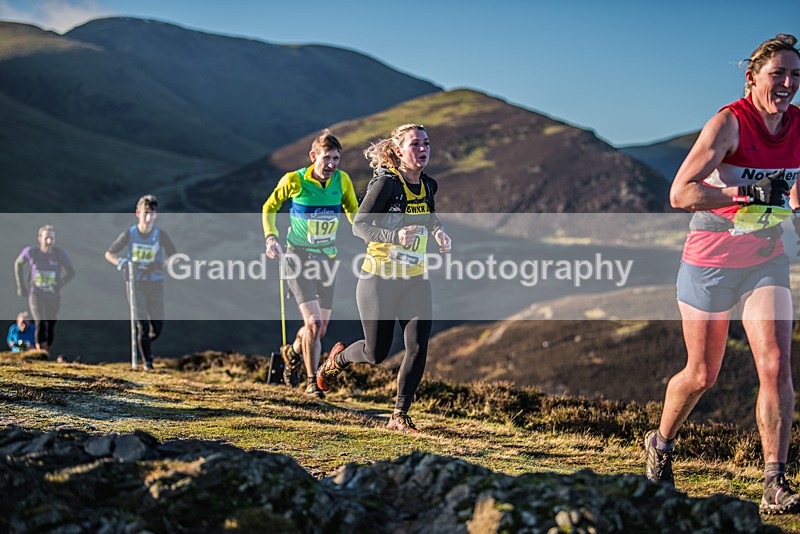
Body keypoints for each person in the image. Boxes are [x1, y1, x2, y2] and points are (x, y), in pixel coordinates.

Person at [645, 34, 800, 515]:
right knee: (702, 374)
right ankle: (661, 441)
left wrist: (788, 206)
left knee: (775, 364)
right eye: (779, 74)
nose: (789, 84)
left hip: (765, 259)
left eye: (796, 76)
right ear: (753, 78)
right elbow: (680, 193)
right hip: (710, 258)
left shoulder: (798, 125)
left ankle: (775, 481)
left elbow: (793, 192)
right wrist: (745, 199)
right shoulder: (729, 125)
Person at [316, 124, 452, 433]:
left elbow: (429, 216)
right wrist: (395, 235)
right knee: (376, 353)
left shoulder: (429, 185)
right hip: (378, 278)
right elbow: (360, 225)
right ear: (398, 151)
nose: (423, 149)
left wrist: (439, 232)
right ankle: (337, 361)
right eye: (415, 144)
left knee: (417, 346)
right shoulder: (386, 184)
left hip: (415, 279)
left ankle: (398, 416)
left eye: (427, 143)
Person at [262, 130, 358, 398]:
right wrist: (271, 238)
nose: (331, 164)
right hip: (298, 257)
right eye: (327, 158)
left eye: (336, 158)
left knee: (319, 329)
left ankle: (292, 352)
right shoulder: (295, 180)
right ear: (314, 156)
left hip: (327, 259)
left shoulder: (342, 180)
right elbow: (270, 206)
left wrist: (372, 237)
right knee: (314, 324)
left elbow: (353, 212)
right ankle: (311, 382)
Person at [105, 195, 176, 370]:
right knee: (142, 323)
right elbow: (109, 253)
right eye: (145, 213)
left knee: (157, 326)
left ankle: (146, 343)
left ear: (156, 215)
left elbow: (174, 255)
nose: (148, 217)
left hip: (155, 282)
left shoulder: (160, 235)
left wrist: (163, 264)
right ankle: (148, 363)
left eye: (152, 213)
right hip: (135, 283)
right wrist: (121, 262)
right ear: (138, 213)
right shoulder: (130, 234)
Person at [14, 225, 75, 352]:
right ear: (39, 239)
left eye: (52, 238)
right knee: (40, 321)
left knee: (51, 324)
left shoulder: (59, 254)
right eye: (47, 238)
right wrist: (21, 286)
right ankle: (39, 350)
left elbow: (71, 272)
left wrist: (61, 283)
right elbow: (18, 263)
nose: (49, 241)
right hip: (36, 293)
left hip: (54, 295)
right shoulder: (32, 252)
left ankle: (47, 350)